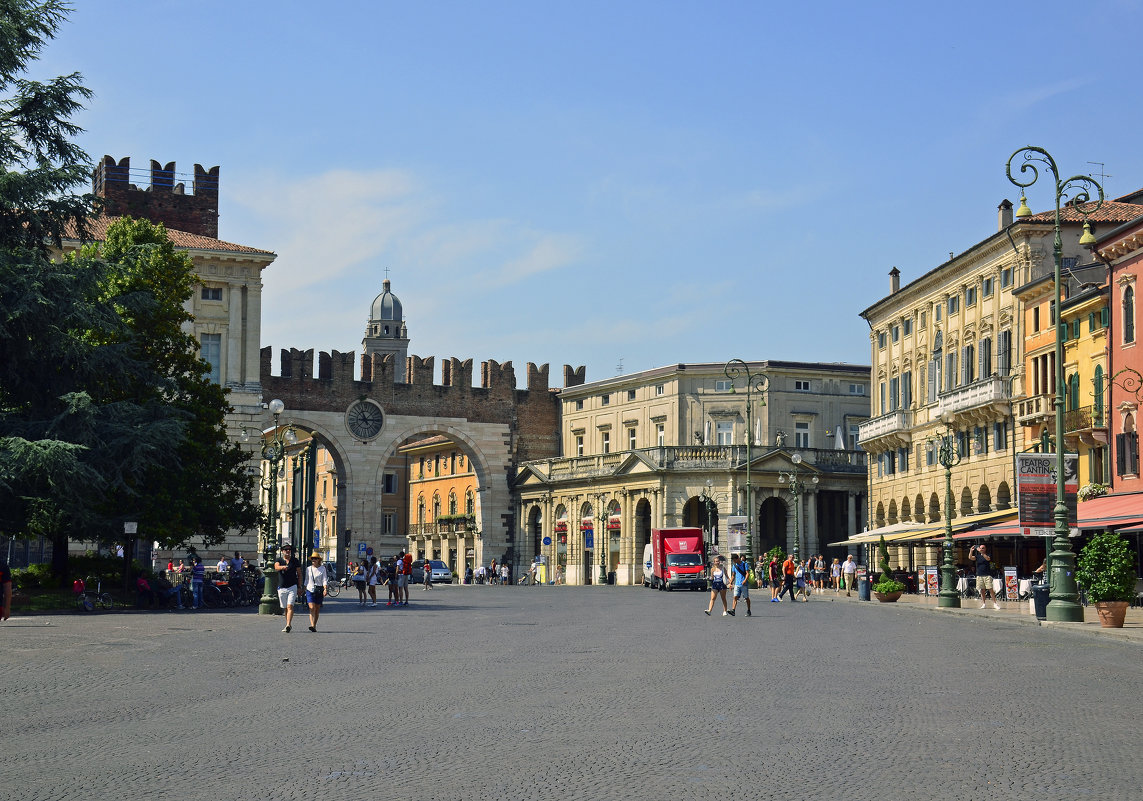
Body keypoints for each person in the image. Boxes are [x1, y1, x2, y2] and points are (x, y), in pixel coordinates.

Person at [274, 544, 303, 632]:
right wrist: (283, 567)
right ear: (282, 551)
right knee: (285, 608)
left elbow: (299, 574)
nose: (288, 551)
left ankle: (288, 624)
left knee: (290, 606)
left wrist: (299, 586)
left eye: (289, 549)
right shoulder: (279, 560)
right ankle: (287, 623)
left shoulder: (295, 561)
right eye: (286, 549)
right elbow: (276, 567)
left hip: (292, 586)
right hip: (282, 587)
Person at [969, 543, 1000, 610]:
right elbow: (970, 558)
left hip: (987, 575)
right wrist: (971, 551)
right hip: (979, 575)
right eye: (981, 548)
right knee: (982, 590)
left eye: (983, 548)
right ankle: (983, 604)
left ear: (985, 549)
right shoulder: (977, 556)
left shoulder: (987, 555)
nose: (982, 549)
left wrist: (982, 553)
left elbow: (988, 559)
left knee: (990, 589)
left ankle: (995, 603)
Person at [304, 551, 328, 631]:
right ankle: (312, 624)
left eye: (315, 558)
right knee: (311, 607)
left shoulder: (322, 569)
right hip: (309, 589)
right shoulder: (308, 569)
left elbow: (324, 579)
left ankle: (314, 625)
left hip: (319, 590)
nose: (314, 560)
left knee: (317, 608)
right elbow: (306, 580)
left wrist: (325, 589)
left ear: (319, 560)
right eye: (313, 558)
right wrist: (303, 588)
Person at [729, 553, 751, 617]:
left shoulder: (744, 564)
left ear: (738, 558)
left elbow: (747, 573)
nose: (734, 561)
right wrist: (731, 583)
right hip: (737, 584)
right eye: (733, 561)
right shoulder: (734, 565)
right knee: (735, 597)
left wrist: (745, 580)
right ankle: (733, 610)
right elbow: (733, 575)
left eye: (735, 560)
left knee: (746, 598)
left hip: (744, 584)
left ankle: (748, 610)